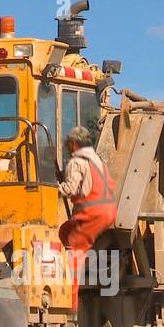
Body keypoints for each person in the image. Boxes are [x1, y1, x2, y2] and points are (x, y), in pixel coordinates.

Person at [57, 126, 117, 311]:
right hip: (108, 211)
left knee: (74, 253)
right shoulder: (97, 160)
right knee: (65, 232)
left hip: (91, 212)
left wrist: (53, 187)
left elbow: (70, 189)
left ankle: (69, 307)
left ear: (74, 144)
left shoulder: (76, 162)